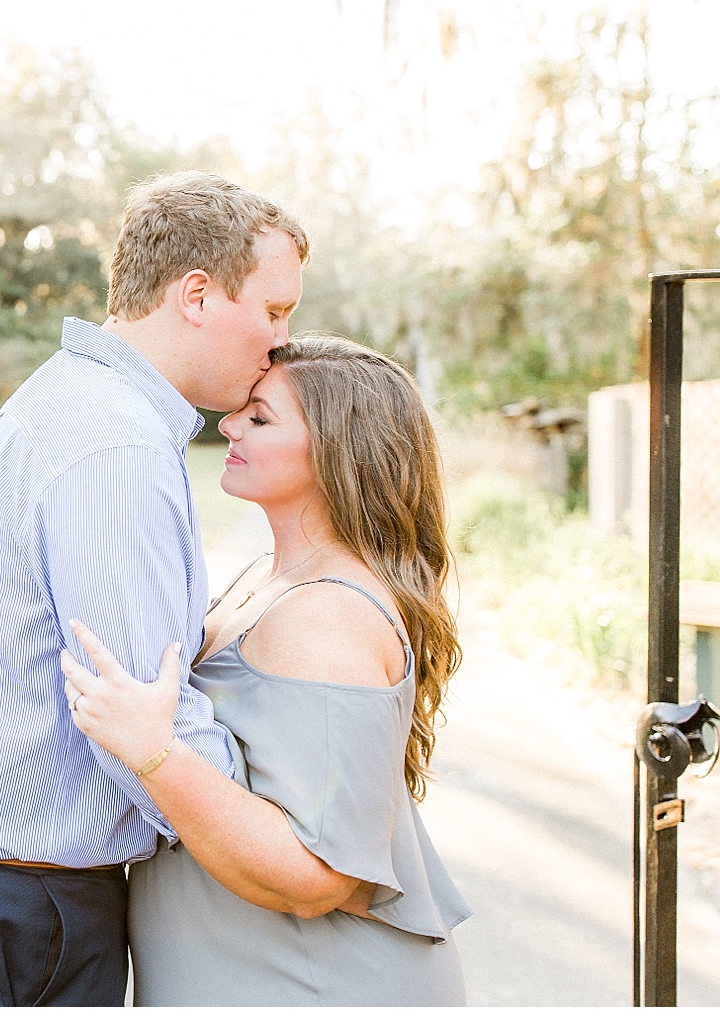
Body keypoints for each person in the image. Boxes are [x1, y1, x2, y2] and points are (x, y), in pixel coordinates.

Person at [0, 172, 309, 1005]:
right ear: (198, 295)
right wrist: (289, 833)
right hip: (5, 907)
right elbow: (142, 716)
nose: (280, 342)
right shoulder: (117, 446)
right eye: (275, 311)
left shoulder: (86, 402)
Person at [61, 333, 472, 1005]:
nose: (227, 424)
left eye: (260, 417)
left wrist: (154, 751)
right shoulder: (270, 574)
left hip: (312, 985)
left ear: (339, 452)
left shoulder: (327, 617)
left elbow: (317, 873)